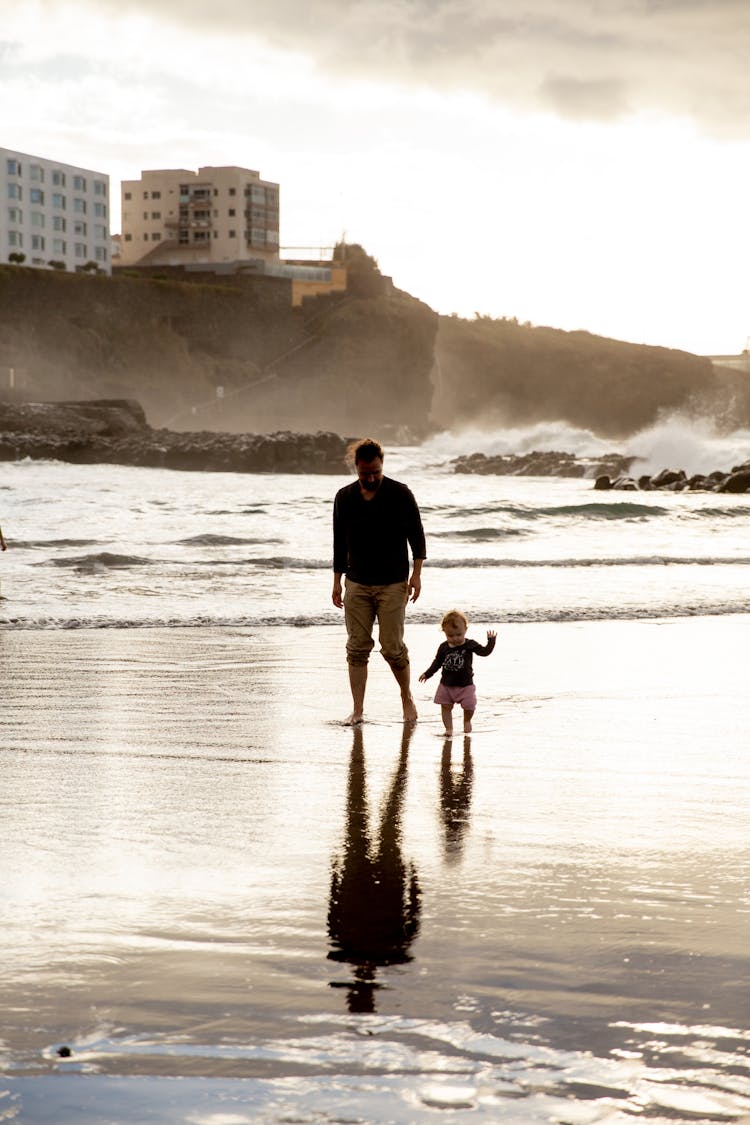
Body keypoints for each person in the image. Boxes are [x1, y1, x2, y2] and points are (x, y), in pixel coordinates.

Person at [332, 437, 426, 725]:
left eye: (375, 471)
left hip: (393, 583)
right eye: (364, 473)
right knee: (357, 647)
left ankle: (406, 697)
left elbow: (417, 537)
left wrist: (417, 574)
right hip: (357, 583)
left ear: (382, 464)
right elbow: (339, 543)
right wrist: (337, 582)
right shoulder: (344, 497)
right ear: (355, 468)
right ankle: (358, 709)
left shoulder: (400, 494)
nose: (370, 478)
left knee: (392, 646)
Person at [419, 609, 496, 734]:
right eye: (450, 636)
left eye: (459, 635)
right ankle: (449, 729)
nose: (455, 638)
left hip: (466, 685)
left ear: (465, 629)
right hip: (446, 685)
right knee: (445, 707)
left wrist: (491, 642)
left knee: (470, 706)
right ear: (444, 632)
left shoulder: (470, 645)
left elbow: (484, 652)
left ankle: (467, 721)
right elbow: (437, 663)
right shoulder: (444, 647)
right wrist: (427, 674)